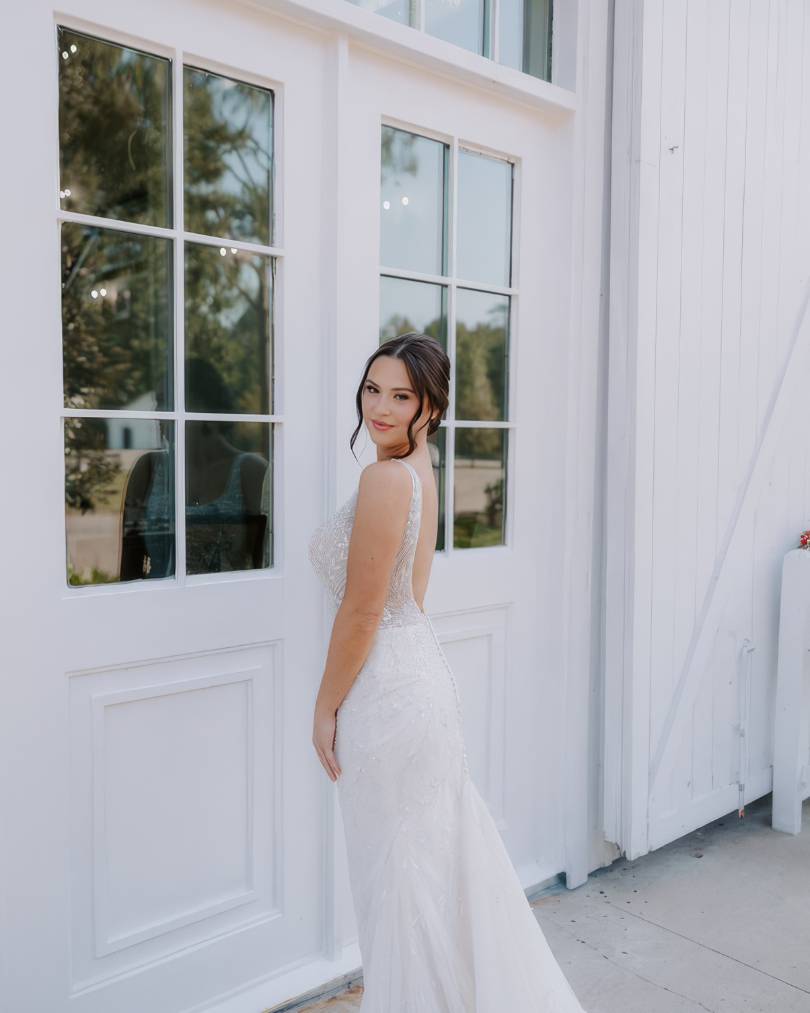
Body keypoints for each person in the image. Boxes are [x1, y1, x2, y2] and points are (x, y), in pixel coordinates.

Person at [308, 333, 587, 1011]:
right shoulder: (416, 469)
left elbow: (364, 607)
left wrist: (325, 706)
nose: (380, 406)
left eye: (400, 395)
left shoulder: (384, 477)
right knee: (423, 878)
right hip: (416, 679)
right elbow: (413, 595)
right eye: (373, 388)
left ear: (429, 407)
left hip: (388, 694)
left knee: (401, 884)